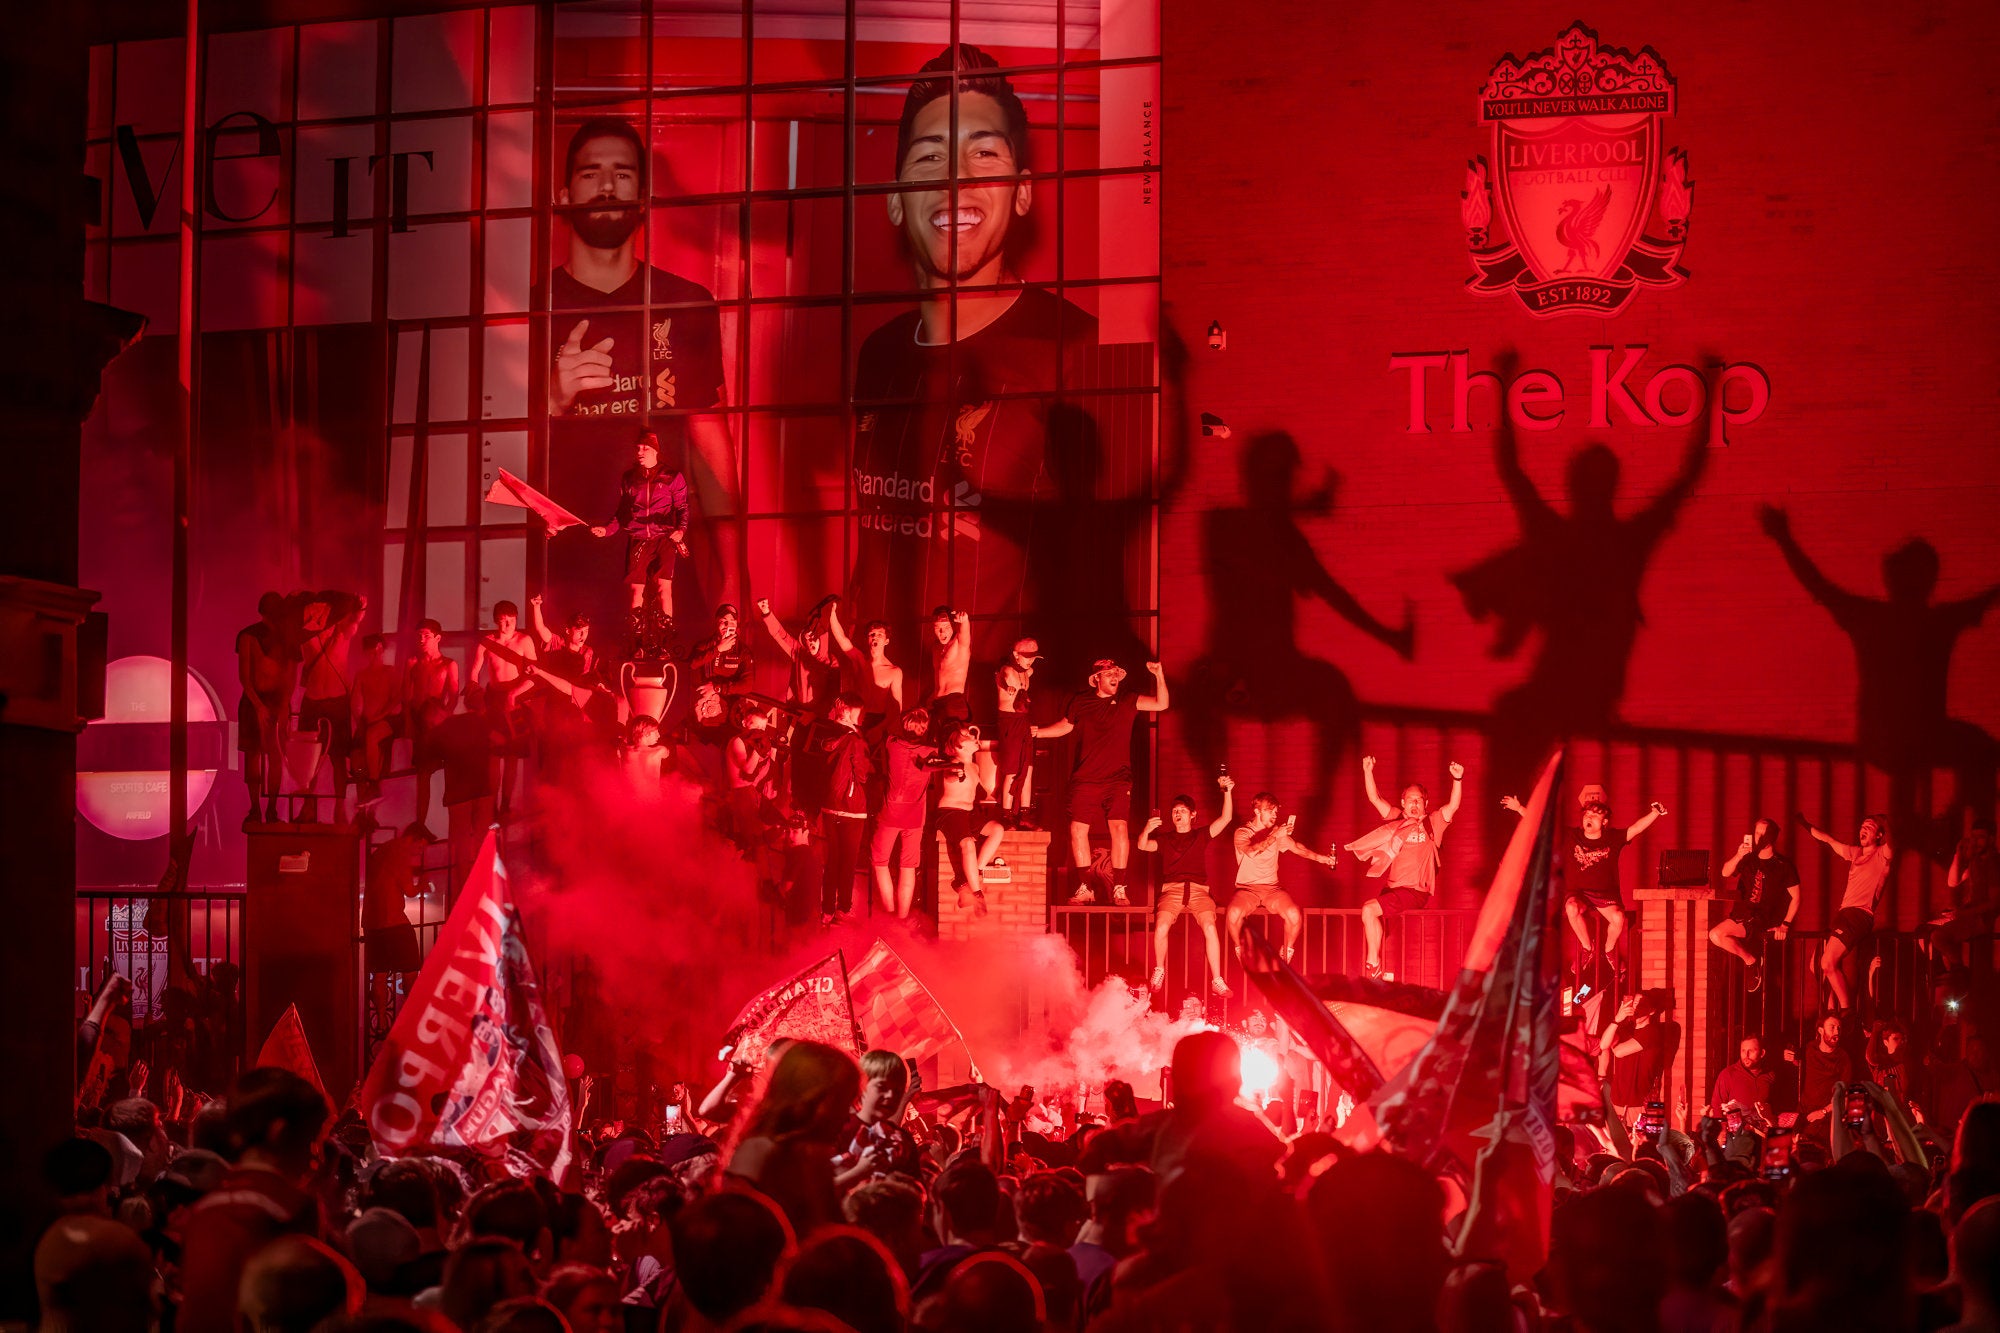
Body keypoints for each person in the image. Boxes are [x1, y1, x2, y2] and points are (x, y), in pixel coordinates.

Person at [846, 44, 1100, 646]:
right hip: (882, 685)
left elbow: (1109, 568)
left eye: (984, 153)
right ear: (895, 200)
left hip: (999, 692)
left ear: (1022, 192)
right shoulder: (878, 353)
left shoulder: (1080, 348)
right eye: (930, 157)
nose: (956, 177)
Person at [550, 114, 739, 602]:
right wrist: (550, 399)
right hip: (558, 576)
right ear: (564, 196)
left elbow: (710, 451)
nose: (607, 186)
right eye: (590, 173)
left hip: (663, 577)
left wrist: (735, 579)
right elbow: (489, 459)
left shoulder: (686, 303)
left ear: (643, 198)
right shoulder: (529, 308)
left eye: (623, 173)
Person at [176, 1068, 330, 1333]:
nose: (317, 1156)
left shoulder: (202, 1209)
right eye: (312, 1139)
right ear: (279, 1133)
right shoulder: (288, 1209)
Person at [1032, 659, 1171, 906]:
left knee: (1119, 828)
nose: (1114, 677)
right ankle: (1085, 886)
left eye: (1116, 673)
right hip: (1085, 777)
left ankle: (1119, 886)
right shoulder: (1081, 701)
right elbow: (1066, 726)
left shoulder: (1128, 699)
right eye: (1108, 674)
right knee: (1077, 830)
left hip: (1118, 779)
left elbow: (1161, 704)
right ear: (1096, 679)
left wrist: (1159, 675)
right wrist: (1038, 732)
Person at [1503, 782, 1665, 973]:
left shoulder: (1613, 838)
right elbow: (1542, 824)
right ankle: (1588, 949)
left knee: (1618, 918)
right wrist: (1519, 808)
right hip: (1578, 892)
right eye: (1587, 815)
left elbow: (1636, 828)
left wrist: (1655, 813)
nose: (1589, 818)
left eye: (1595, 816)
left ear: (1604, 822)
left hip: (1605, 894)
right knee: (1571, 908)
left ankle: (1609, 950)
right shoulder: (1572, 836)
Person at [726, 1039, 860, 1239]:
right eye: (843, 1102)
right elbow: (736, 1240)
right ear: (814, 1099)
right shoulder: (759, 1154)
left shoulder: (814, 1159)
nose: (849, 1115)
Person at [1348, 755, 1465, 979]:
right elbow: (1375, 798)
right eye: (1410, 800)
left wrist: (1457, 780)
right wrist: (1367, 771)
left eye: (1418, 800)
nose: (1414, 804)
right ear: (1403, 803)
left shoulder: (1433, 822)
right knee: (1376, 927)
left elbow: (1453, 806)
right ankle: (1379, 970)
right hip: (1392, 889)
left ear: (1425, 804)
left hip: (1415, 891)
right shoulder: (1396, 819)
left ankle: (1373, 967)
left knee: (1368, 910)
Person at [588, 429, 689, 644]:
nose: (640, 452)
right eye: (638, 448)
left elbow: (682, 507)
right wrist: (607, 530)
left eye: (645, 448)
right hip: (638, 538)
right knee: (636, 591)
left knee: (664, 589)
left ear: (655, 451)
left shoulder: (672, 477)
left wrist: (680, 530)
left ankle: (666, 639)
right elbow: (622, 511)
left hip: (664, 538)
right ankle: (636, 640)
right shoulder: (629, 478)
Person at [1139, 775, 1236, 995]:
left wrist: (1227, 791)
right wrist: (1147, 828)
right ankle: (1159, 969)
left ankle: (1217, 979)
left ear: (1193, 815)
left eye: (1182, 810)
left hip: (1199, 891)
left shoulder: (1201, 835)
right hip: (1172, 890)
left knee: (1210, 927)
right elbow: (1143, 845)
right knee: (1161, 926)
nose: (1177, 814)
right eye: (1175, 811)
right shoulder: (1165, 839)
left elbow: (1226, 818)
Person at [1226, 792, 1336, 964]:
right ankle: (1241, 949)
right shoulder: (1243, 832)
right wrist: (1275, 836)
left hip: (1272, 888)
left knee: (1294, 914)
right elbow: (1252, 852)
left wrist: (1322, 858)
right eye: (1270, 811)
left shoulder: (1277, 833)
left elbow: (1298, 848)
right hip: (1247, 888)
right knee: (1233, 913)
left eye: (1276, 811)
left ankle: (1286, 952)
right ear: (1257, 811)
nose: (1274, 815)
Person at [1801, 811, 1893, 1012]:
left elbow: (1893, 842)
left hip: (1860, 914)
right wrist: (1805, 824)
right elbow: (1829, 840)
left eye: (1869, 827)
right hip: (1844, 913)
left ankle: (1846, 1011)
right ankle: (1832, 1010)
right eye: (1862, 826)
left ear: (1879, 835)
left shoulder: (1883, 854)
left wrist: (1886, 822)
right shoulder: (1856, 853)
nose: (1863, 830)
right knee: (1816, 964)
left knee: (1828, 962)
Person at [296, 592, 367, 823]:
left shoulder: (340, 632)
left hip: (336, 701)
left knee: (338, 757)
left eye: (322, 608)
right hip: (313, 700)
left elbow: (355, 622)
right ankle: (308, 807)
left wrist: (361, 607)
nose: (318, 611)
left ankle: (340, 807)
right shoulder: (304, 634)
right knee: (310, 759)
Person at [1710, 816, 1800, 993]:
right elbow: (1725, 872)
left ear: (1771, 837)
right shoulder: (1748, 858)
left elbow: (1796, 897)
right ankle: (1751, 961)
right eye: (1756, 832)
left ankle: (1752, 962)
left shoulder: (1783, 865)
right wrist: (1739, 855)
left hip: (1761, 918)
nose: (1758, 836)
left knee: (1719, 933)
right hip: (1740, 914)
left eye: (1762, 833)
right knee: (1715, 935)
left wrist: (1785, 924)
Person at [469, 600, 537, 820]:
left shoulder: (524, 641)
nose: (507, 625)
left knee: (512, 756)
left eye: (511, 620)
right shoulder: (487, 642)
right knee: (493, 755)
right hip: (494, 702)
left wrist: (515, 693)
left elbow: (535, 676)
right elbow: (474, 672)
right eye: (503, 620)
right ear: (496, 621)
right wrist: (476, 696)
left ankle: (506, 805)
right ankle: (492, 805)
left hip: (517, 703)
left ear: (516, 619)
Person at [937, 722, 1008, 913]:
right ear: (959, 746)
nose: (974, 738)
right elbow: (951, 775)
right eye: (968, 736)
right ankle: (977, 894)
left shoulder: (975, 767)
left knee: (997, 829)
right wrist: (957, 774)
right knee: (967, 843)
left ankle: (968, 878)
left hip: (968, 813)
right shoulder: (953, 763)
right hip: (951, 812)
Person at [872, 709, 935, 919]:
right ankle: (902, 917)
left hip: (890, 812)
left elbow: (886, 727)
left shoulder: (892, 744)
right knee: (908, 866)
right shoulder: (931, 752)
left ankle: (889, 909)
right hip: (915, 817)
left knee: (880, 862)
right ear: (925, 729)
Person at [237, 590, 293, 827]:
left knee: (275, 755)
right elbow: (245, 677)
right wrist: (258, 706)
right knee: (253, 754)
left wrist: (283, 706)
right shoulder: (248, 636)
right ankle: (255, 808)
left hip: (276, 701)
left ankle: (271, 809)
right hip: (254, 703)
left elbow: (289, 678)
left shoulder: (287, 639)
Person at [400, 619, 458, 842]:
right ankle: (420, 824)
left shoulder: (448, 664)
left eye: (426, 635)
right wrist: (408, 723)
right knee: (422, 775)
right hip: (419, 722)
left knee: (438, 772)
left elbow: (453, 697)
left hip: (437, 722)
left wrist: (443, 720)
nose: (421, 640)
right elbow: (406, 697)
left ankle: (447, 824)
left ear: (437, 638)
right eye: (418, 636)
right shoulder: (412, 663)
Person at [816, 695, 872, 925]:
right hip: (853, 807)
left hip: (830, 805)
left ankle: (827, 909)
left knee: (832, 860)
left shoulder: (826, 734)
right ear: (848, 713)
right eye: (860, 712)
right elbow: (862, 774)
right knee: (848, 862)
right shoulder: (855, 740)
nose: (863, 717)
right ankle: (843, 908)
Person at [834, 1049, 921, 1191]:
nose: (890, 1095)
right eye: (882, 1087)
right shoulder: (837, 1131)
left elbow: (918, 1191)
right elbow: (812, 1190)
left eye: (898, 1091)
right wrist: (857, 1173)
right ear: (862, 1085)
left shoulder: (903, 1140)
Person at [1934, 821, 2000, 977]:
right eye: (1973, 837)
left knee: (1938, 936)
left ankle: (1959, 973)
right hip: (1971, 915)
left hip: (1982, 919)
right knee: (1927, 929)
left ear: (1991, 839)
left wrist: (1963, 913)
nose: (1975, 842)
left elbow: (1994, 903)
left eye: (1981, 837)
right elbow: (1953, 881)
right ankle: (1950, 973)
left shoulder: (1993, 864)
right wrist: (1959, 853)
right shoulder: (1977, 861)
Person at [757, 595, 842, 714]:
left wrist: (816, 714)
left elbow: (832, 693)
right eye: (808, 639)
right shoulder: (798, 652)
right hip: (796, 710)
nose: (811, 641)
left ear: (821, 639)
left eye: (814, 637)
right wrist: (767, 613)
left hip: (818, 715)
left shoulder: (831, 661)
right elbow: (780, 634)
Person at [828, 602, 904, 733]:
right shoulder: (860, 661)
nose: (875, 638)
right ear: (867, 639)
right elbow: (841, 638)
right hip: (854, 718)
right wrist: (832, 614)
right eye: (871, 634)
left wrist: (879, 729)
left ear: (886, 641)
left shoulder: (894, 671)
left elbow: (897, 709)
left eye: (880, 635)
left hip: (877, 721)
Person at [994, 637, 1040, 828]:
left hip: (1023, 722)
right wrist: (1007, 686)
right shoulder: (1007, 670)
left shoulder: (1027, 672)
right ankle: (1007, 814)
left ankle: (1025, 814)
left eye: (1033, 657)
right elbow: (1001, 677)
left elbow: (1029, 670)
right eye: (1027, 656)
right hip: (1009, 723)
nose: (1030, 660)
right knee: (1012, 769)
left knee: (1028, 768)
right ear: (1016, 655)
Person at [349, 634, 401, 804]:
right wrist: (360, 723)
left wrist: (380, 716)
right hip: (367, 722)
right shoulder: (362, 675)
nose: (373, 654)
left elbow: (396, 699)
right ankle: (363, 800)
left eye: (376, 650)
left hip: (386, 721)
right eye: (370, 651)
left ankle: (374, 784)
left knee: (371, 737)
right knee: (357, 755)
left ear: (381, 650)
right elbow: (355, 704)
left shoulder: (389, 672)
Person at [1793, 1010, 1853, 1140]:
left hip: (1826, 1116)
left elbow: (1844, 1096)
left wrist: (1824, 1111)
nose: (1836, 1032)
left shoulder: (1843, 1058)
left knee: (1809, 1141)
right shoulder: (1810, 1048)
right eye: (1832, 1027)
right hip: (1803, 1112)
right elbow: (1793, 1058)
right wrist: (1790, 1057)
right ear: (1821, 1030)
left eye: (1839, 1028)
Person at [1709, 1034, 1777, 1126]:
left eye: (1751, 1051)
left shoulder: (1770, 1076)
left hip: (1764, 1132)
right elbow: (1717, 1108)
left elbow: (1777, 1110)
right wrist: (1722, 1130)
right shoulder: (1728, 1074)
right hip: (1737, 1133)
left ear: (1762, 1053)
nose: (1746, 1055)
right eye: (1743, 1051)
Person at [927, 607, 973, 728]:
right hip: (938, 703)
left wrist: (964, 620)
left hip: (954, 703)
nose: (942, 632)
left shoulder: (959, 644)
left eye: (946, 627)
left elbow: (964, 633)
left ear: (953, 625)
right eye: (937, 628)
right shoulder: (936, 648)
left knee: (954, 738)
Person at [692, 602, 754, 693]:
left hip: (729, 699)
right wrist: (718, 649)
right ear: (716, 622)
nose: (727, 625)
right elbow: (692, 664)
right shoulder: (704, 645)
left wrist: (717, 688)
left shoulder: (743, 651)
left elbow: (748, 685)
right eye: (723, 621)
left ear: (736, 624)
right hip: (705, 697)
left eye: (732, 621)